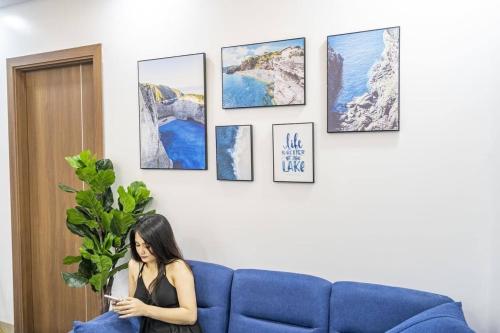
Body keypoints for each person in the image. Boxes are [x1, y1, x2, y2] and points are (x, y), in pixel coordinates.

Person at [113, 214, 202, 333]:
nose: (141, 251)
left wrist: (145, 309)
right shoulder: (135, 265)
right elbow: (134, 303)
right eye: (137, 245)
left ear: (160, 243)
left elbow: (190, 316)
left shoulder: (177, 267)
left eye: (147, 246)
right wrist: (124, 306)